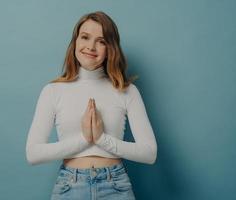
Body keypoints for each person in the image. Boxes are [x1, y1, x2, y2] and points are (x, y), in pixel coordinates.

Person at [25, 11, 157, 200]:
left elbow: (149, 153)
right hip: (69, 186)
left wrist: (102, 139)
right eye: (85, 37)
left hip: (116, 186)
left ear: (110, 48)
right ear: (75, 42)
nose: (91, 47)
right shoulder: (53, 90)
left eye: (101, 41)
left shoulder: (127, 91)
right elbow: (33, 153)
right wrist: (85, 139)